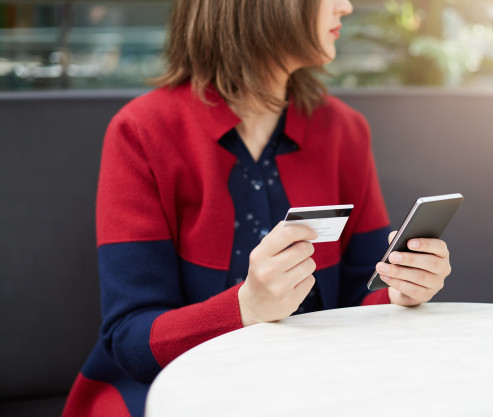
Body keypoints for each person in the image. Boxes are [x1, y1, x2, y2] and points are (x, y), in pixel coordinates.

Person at [62, 1, 452, 416]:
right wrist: (246, 307)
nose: (346, 6)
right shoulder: (141, 132)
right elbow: (130, 340)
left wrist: (399, 290)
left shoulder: (345, 130)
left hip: (311, 389)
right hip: (169, 395)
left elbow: (361, 293)